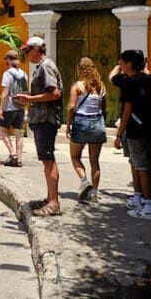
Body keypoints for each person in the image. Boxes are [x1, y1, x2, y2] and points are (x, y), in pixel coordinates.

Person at [110, 50, 151, 221]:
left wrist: (119, 134)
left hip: (136, 129)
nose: (120, 64)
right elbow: (146, 72)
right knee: (144, 163)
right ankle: (140, 198)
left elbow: (127, 110)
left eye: (122, 61)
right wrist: (142, 63)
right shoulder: (150, 79)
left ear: (129, 64)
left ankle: (148, 206)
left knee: (141, 166)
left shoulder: (128, 83)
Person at [16, 36, 64, 217]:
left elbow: (54, 93)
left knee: (48, 161)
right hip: (41, 118)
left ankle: (54, 203)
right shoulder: (42, 67)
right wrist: (29, 95)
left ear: (36, 49)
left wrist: (30, 99)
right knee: (47, 161)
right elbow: (44, 92)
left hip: (46, 119)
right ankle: (50, 197)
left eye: (27, 51)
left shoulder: (46, 66)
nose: (26, 54)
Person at [65, 57, 108, 203]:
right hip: (97, 122)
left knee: (75, 157)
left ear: (80, 69)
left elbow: (71, 107)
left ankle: (84, 181)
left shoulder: (77, 86)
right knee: (94, 161)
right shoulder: (101, 86)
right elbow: (104, 108)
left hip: (81, 122)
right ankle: (94, 193)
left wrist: (68, 125)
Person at [0, 49, 29, 167]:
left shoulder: (7, 74)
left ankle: (12, 153)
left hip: (10, 106)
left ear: (8, 60)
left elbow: (5, 93)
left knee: (2, 129)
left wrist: (1, 108)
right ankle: (19, 159)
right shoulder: (24, 73)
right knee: (18, 133)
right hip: (21, 106)